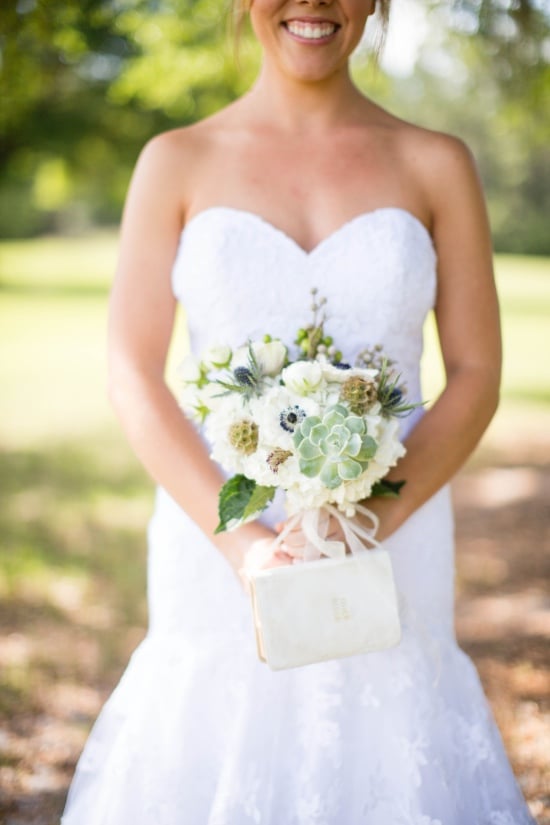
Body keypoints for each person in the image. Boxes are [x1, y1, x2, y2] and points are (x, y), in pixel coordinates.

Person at [61, 0, 537, 822]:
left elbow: (477, 371)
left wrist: (362, 526)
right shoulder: (174, 160)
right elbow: (132, 373)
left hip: (397, 527)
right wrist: (245, 545)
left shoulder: (437, 162)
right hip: (215, 543)